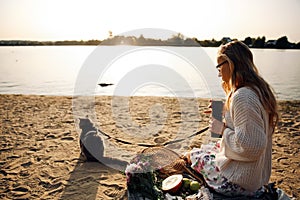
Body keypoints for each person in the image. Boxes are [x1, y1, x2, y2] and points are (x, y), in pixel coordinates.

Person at [187, 40, 278, 197]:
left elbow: (252, 147)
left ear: (230, 63)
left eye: (219, 66)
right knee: (207, 148)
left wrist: (222, 130)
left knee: (193, 155)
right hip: (255, 176)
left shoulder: (243, 96)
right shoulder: (257, 90)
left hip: (240, 182)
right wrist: (226, 109)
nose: (218, 72)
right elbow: (251, 121)